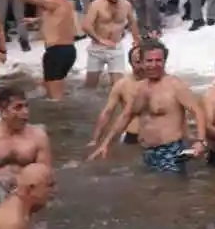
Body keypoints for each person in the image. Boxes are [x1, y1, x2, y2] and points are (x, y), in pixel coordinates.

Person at [87, 40, 208, 173]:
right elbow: (126, 116)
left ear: (164, 61)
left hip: (171, 150)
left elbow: (198, 112)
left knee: (170, 189)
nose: (154, 65)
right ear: (142, 62)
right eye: (149, 61)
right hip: (147, 151)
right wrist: (106, 144)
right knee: (148, 188)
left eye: (158, 60)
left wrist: (200, 141)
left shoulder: (175, 86)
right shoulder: (141, 88)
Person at [0, 0, 79, 99]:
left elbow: (36, 1)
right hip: (67, 51)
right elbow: (57, 19)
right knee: (47, 88)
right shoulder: (66, 4)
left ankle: (59, 115)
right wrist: (36, 20)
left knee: (55, 97)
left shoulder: (54, 1)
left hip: (57, 52)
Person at [82, 0, 140, 87]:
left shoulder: (126, 5)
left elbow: (133, 22)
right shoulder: (96, 4)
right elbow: (86, 26)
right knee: (90, 86)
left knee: (118, 85)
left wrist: (136, 41)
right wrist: (100, 40)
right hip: (97, 48)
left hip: (115, 48)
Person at [89, 46, 146, 149]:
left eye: (144, 61)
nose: (142, 66)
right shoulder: (122, 84)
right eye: (138, 62)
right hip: (132, 137)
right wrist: (94, 140)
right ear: (130, 63)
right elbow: (107, 112)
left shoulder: (163, 82)